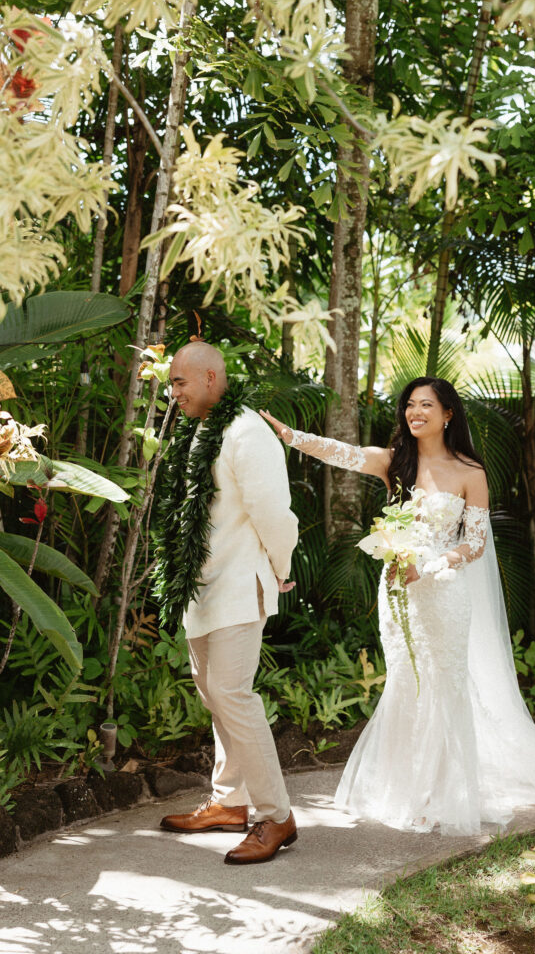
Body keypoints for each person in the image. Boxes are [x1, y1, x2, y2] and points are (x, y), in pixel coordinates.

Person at [261, 376, 535, 835]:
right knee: (405, 682)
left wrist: (435, 562)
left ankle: (438, 794)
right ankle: (402, 788)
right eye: (409, 405)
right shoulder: (393, 462)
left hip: (443, 591)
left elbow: (476, 543)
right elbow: (341, 453)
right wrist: (290, 436)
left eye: (426, 405)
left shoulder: (470, 472)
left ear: (448, 414)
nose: (414, 412)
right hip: (398, 590)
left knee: (443, 685)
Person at [156, 341, 299, 864]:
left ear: (211, 377)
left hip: (241, 584)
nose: (174, 393)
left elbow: (275, 514)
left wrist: (281, 569)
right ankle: (229, 802)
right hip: (202, 587)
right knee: (213, 694)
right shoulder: (198, 430)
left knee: (233, 695)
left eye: (179, 383)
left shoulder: (247, 432)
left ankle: (276, 816)